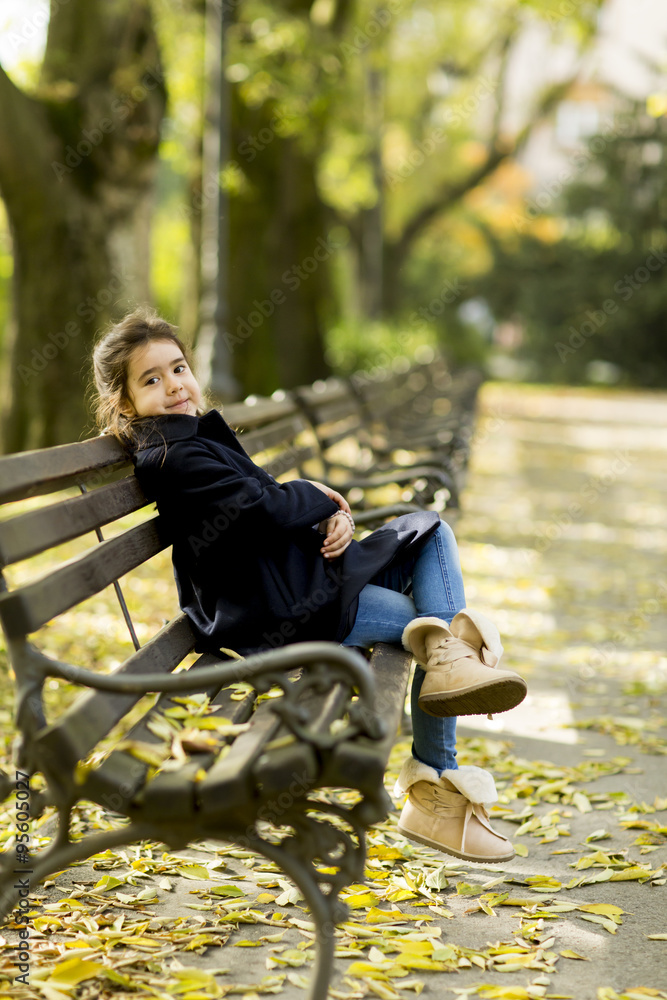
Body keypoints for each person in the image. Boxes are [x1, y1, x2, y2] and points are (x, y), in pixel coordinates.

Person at [91, 307, 528, 863]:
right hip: (280, 608)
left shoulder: (194, 438)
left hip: (302, 575)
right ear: (126, 404)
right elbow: (266, 508)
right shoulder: (174, 458)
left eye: (179, 368)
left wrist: (330, 519)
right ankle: (437, 789)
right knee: (435, 631)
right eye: (152, 380)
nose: (175, 385)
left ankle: (445, 719)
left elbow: (267, 508)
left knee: (431, 532)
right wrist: (317, 495)